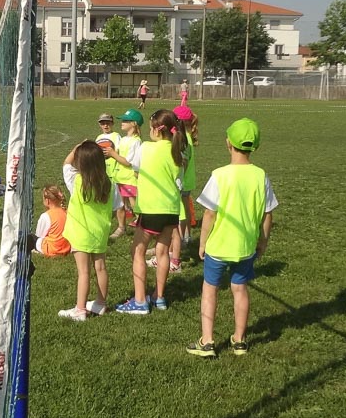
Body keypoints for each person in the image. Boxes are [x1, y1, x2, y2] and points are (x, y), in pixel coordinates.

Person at [186, 118, 278, 357]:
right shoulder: (261, 176)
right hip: (246, 247)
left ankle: (207, 341)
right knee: (240, 289)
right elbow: (268, 214)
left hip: (218, 247)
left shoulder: (220, 175)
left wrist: (202, 242)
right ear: (255, 146)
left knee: (210, 289)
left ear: (228, 143)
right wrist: (262, 242)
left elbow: (209, 213)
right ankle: (239, 340)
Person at [116, 109, 186, 314]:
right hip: (171, 209)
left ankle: (140, 301)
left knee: (137, 251)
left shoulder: (146, 147)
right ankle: (159, 297)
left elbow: (135, 169)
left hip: (151, 208)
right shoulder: (178, 152)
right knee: (163, 252)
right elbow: (179, 181)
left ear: (157, 129)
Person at [59, 141, 112, 321]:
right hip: (100, 233)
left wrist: (76, 148)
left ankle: (80, 309)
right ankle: (100, 303)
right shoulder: (109, 183)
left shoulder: (76, 181)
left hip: (80, 234)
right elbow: (115, 207)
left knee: (84, 272)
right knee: (101, 268)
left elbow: (66, 164)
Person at [167, 103, 198, 272]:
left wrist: (177, 179)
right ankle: (185, 237)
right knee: (184, 210)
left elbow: (183, 162)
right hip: (187, 181)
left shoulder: (183, 139)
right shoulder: (186, 135)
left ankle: (176, 246)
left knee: (180, 214)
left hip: (183, 181)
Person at [104, 109, 143, 240]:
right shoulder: (124, 139)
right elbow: (116, 154)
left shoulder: (136, 141)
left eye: (126, 121)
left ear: (134, 124)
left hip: (130, 179)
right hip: (119, 177)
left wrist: (113, 154)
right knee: (120, 205)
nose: (122, 122)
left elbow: (128, 162)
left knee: (135, 206)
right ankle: (121, 227)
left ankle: (143, 228)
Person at [95, 113, 124, 239]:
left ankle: (121, 227)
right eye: (103, 123)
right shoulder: (99, 137)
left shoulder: (116, 136)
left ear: (112, 123)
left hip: (114, 173)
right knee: (105, 200)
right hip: (103, 173)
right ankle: (104, 224)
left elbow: (118, 152)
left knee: (119, 203)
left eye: (108, 123)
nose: (105, 125)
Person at [33, 184, 71, 257]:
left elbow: (39, 235)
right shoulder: (67, 213)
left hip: (52, 249)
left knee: (31, 238)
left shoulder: (46, 216)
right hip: (67, 247)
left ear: (47, 201)